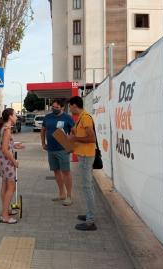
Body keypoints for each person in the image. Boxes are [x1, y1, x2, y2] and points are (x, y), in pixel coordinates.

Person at [68, 96, 97, 231]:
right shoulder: (81, 118)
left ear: (75, 106)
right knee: (88, 186)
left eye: (70, 106)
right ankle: (90, 214)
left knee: (87, 187)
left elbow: (91, 138)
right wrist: (74, 133)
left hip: (86, 156)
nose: (69, 109)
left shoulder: (85, 117)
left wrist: (75, 138)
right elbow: (81, 135)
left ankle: (90, 221)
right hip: (84, 155)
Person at [41, 99, 75, 206]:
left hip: (63, 149)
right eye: (53, 107)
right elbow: (43, 130)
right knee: (56, 171)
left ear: (62, 108)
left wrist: (71, 143)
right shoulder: (47, 117)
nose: (54, 109)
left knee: (66, 172)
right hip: (51, 149)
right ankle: (62, 193)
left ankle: (69, 196)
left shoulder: (67, 118)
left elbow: (74, 132)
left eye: (56, 107)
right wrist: (43, 143)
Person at [0, 108, 25, 224]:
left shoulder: (3, 128)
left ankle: (5, 210)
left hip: (3, 161)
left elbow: (5, 145)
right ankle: (5, 216)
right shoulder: (7, 130)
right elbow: (4, 149)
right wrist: (14, 161)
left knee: (5, 186)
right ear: (10, 117)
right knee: (11, 188)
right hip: (7, 162)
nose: (17, 117)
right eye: (15, 115)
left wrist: (15, 146)